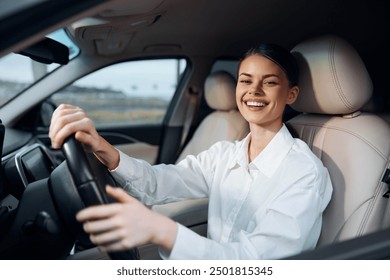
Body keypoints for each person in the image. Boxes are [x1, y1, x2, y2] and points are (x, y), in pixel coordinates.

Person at [49, 43, 333, 259]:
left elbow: (255, 263)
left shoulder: (303, 172)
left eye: (269, 82)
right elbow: (160, 182)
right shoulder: (225, 154)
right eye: (245, 80)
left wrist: (163, 231)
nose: (254, 91)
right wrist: (104, 149)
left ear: (291, 94)